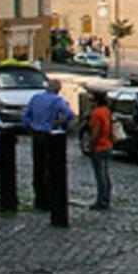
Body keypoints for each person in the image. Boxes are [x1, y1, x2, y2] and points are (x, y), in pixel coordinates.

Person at [21, 79, 74, 210]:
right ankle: (49, 199)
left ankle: (38, 198)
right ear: (58, 89)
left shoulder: (36, 98)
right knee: (50, 166)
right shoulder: (57, 100)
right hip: (49, 135)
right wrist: (58, 122)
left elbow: (25, 116)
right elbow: (69, 114)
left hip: (36, 133)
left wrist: (29, 126)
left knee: (37, 166)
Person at [86, 90, 113, 210]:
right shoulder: (106, 111)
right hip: (107, 144)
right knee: (105, 174)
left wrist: (91, 146)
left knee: (100, 176)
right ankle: (106, 198)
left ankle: (101, 200)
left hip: (99, 146)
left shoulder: (97, 114)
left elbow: (96, 132)